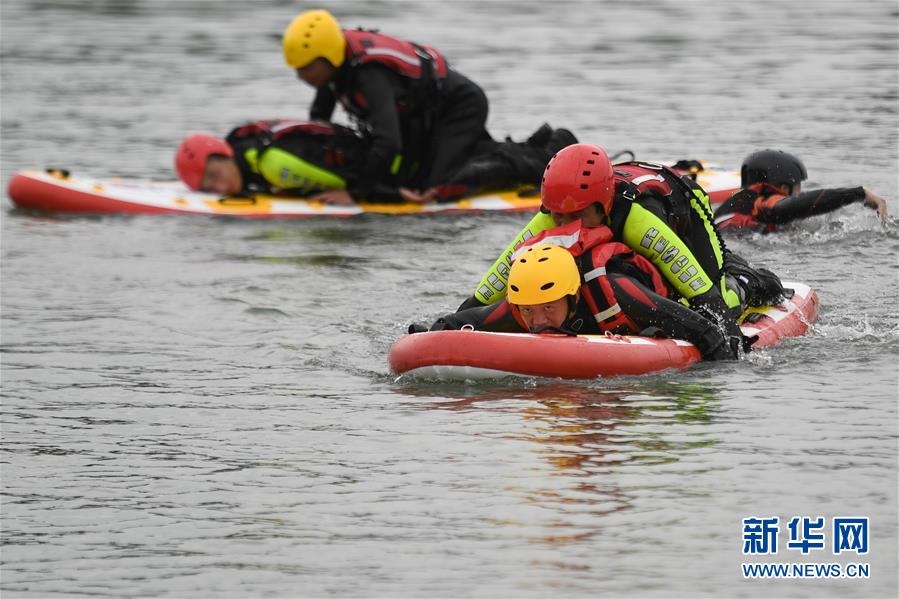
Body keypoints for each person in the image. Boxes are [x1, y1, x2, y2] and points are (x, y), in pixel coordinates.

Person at [456, 143, 785, 350]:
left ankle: (748, 279)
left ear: (603, 205)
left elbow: (703, 296)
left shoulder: (637, 219)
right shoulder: (548, 218)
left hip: (682, 211)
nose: (567, 225)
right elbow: (490, 290)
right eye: (559, 216)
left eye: (579, 215)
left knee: (709, 295)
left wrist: (728, 341)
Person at [415, 229, 740, 361]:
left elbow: (707, 332)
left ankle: (747, 279)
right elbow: (450, 325)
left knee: (734, 293)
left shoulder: (615, 293)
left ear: (572, 297)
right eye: (528, 311)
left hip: (649, 286)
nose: (537, 322)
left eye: (548, 308)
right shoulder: (518, 307)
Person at [282, 9, 493, 205]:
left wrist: (354, 194)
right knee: (401, 181)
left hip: (461, 107)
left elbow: (389, 142)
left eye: (307, 68)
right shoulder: (335, 67)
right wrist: (314, 173)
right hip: (423, 116)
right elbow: (320, 121)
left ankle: (516, 166)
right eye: (297, 69)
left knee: (434, 189)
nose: (301, 76)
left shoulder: (370, 76)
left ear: (329, 58)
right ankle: (474, 152)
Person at [174, 119, 576, 200]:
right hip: (401, 147)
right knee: (480, 154)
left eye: (213, 173)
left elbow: (346, 175)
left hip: (399, 165)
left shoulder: (273, 162)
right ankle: (541, 142)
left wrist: (369, 196)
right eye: (206, 186)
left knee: (458, 183)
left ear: (223, 154)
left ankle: (554, 150)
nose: (216, 187)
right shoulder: (250, 146)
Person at [713, 149, 888, 232]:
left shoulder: (737, 202)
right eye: (798, 188)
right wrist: (859, 194)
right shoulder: (764, 201)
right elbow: (794, 205)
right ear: (782, 188)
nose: (800, 192)